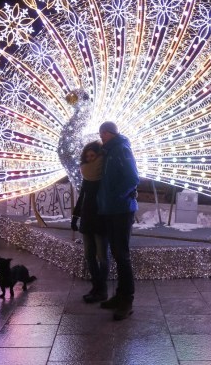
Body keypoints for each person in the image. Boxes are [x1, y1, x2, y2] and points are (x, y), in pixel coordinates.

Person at [96, 121, 140, 321]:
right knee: (116, 252)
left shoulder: (120, 149)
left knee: (122, 254)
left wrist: (116, 197)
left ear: (108, 133)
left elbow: (132, 179)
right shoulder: (110, 151)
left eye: (102, 134)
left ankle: (127, 300)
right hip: (112, 209)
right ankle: (120, 295)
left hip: (121, 211)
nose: (101, 137)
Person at [70, 141, 109, 303]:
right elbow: (82, 196)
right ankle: (96, 286)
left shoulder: (105, 173)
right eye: (87, 156)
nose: (90, 159)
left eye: (93, 156)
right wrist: (76, 216)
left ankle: (102, 289)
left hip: (100, 217)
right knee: (89, 255)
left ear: (99, 155)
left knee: (102, 256)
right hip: (87, 217)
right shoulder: (87, 174)